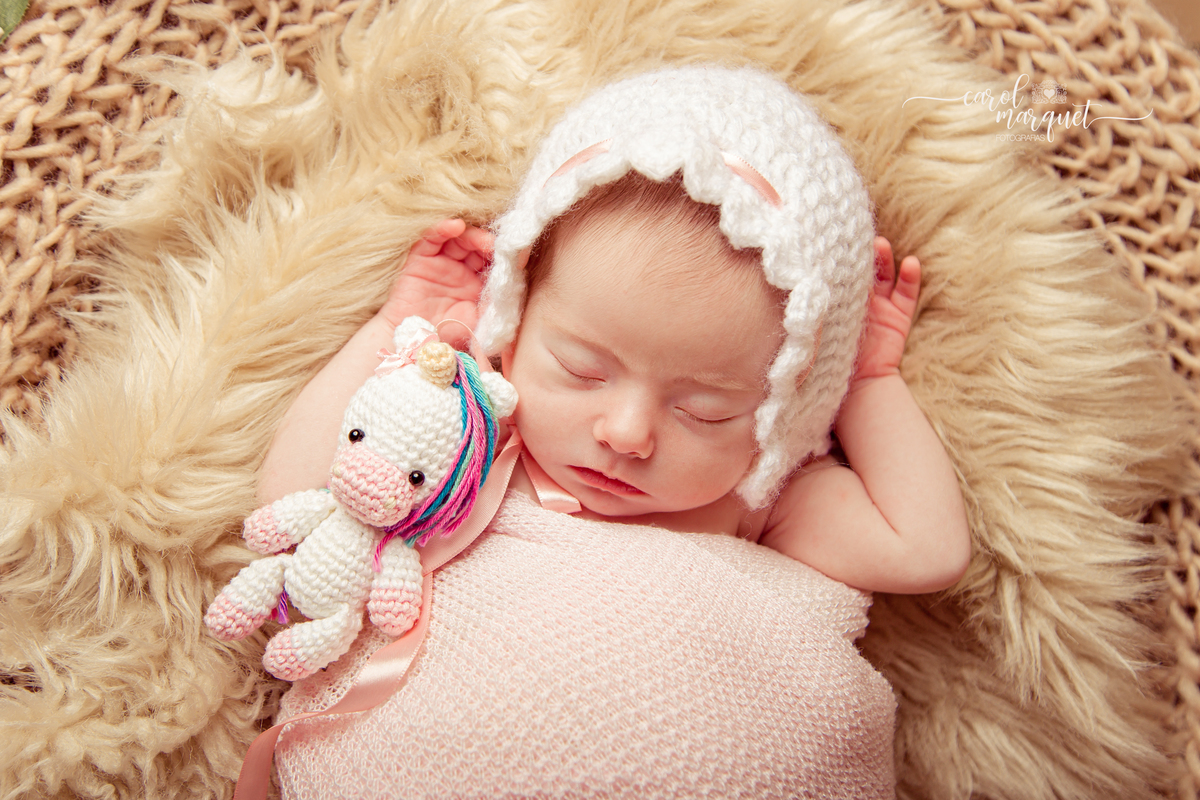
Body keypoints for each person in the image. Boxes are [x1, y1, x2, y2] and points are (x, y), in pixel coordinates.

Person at [258, 65, 970, 595]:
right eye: (581, 369)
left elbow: (925, 551)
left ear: (785, 409)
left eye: (705, 409)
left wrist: (867, 380)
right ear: (516, 314)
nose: (627, 434)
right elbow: (292, 501)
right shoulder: (463, 440)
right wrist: (400, 326)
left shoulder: (751, 505)